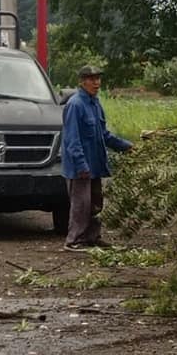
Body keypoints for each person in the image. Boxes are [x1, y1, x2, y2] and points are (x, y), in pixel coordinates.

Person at [60, 65, 133, 252]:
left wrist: (126, 146)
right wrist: (81, 165)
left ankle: (92, 237)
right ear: (82, 82)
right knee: (81, 205)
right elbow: (72, 140)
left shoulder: (95, 103)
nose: (97, 83)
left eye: (98, 79)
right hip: (80, 167)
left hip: (95, 164)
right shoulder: (75, 105)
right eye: (92, 79)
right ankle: (74, 240)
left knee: (95, 203)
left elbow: (104, 135)